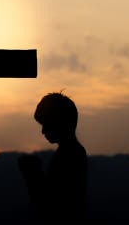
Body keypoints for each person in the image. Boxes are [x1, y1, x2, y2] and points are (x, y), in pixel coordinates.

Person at [18, 92, 87, 224]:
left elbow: (51, 203)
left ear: (59, 122)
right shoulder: (72, 152)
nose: (43, 131)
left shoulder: (70, 155)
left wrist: (33, 174)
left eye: (46, 124)